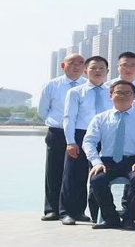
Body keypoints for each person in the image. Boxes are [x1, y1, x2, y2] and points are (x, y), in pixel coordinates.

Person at [83, 80, 135, 230]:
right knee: (97, 179)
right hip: (107, 161)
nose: (123, 96)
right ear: (111, 95)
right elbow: (88, 142)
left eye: (127, 93)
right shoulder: (100, 118)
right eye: (119, 92)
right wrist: (96, 162)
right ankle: (111, 218)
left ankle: (129, 219)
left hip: (133, 161)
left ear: (134, 96)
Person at [60, 55, 111, 225]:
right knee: (73, 175)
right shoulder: (75, 92)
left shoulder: (112, 91)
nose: (97, 71)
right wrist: (70, 142)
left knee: (98, 174)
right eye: (93, 68)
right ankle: (67, 212)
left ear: (107, 71)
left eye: (101, 68)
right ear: (85, 71)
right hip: (80, 135)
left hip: (105, 136)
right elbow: (69, 118)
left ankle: (92, 213)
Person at [38, 53, 86, 221]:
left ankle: (78, 211)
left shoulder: (87, 86)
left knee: (78, 173)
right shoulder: (52, 85)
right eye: (72, 63)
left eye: (80, 63)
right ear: (63, 66)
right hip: (57, 132)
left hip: (79, 133)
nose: (76, 66)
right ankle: (52, 210)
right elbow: (42, 111)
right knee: (54, 171)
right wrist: (57, 123)